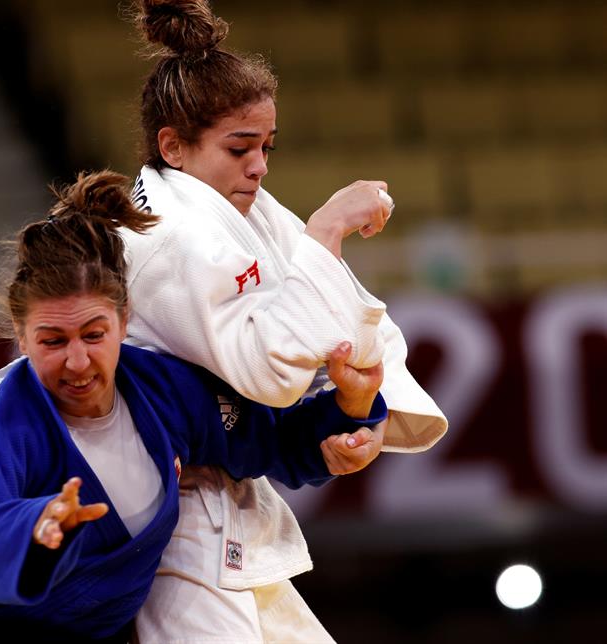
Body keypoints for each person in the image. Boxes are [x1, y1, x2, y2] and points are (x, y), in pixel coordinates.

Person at [0, 170, 388, 643]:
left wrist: (350, 409)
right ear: (21, 339)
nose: (77, 361)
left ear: (124, 319)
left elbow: (270, 438)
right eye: (52, 341)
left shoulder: (162, 391)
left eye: (94, 334)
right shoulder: (2, 422)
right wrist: (33, 526)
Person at [121, 1, 449, 641]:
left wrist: (359, 411)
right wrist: (326, 228)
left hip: (223, 496)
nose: (260, 166)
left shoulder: (234, 208)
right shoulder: (163, 236)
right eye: (240, 148)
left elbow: (345, 331)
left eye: (266, 147)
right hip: (165, 516)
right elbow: (269, 373)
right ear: (173, 146)